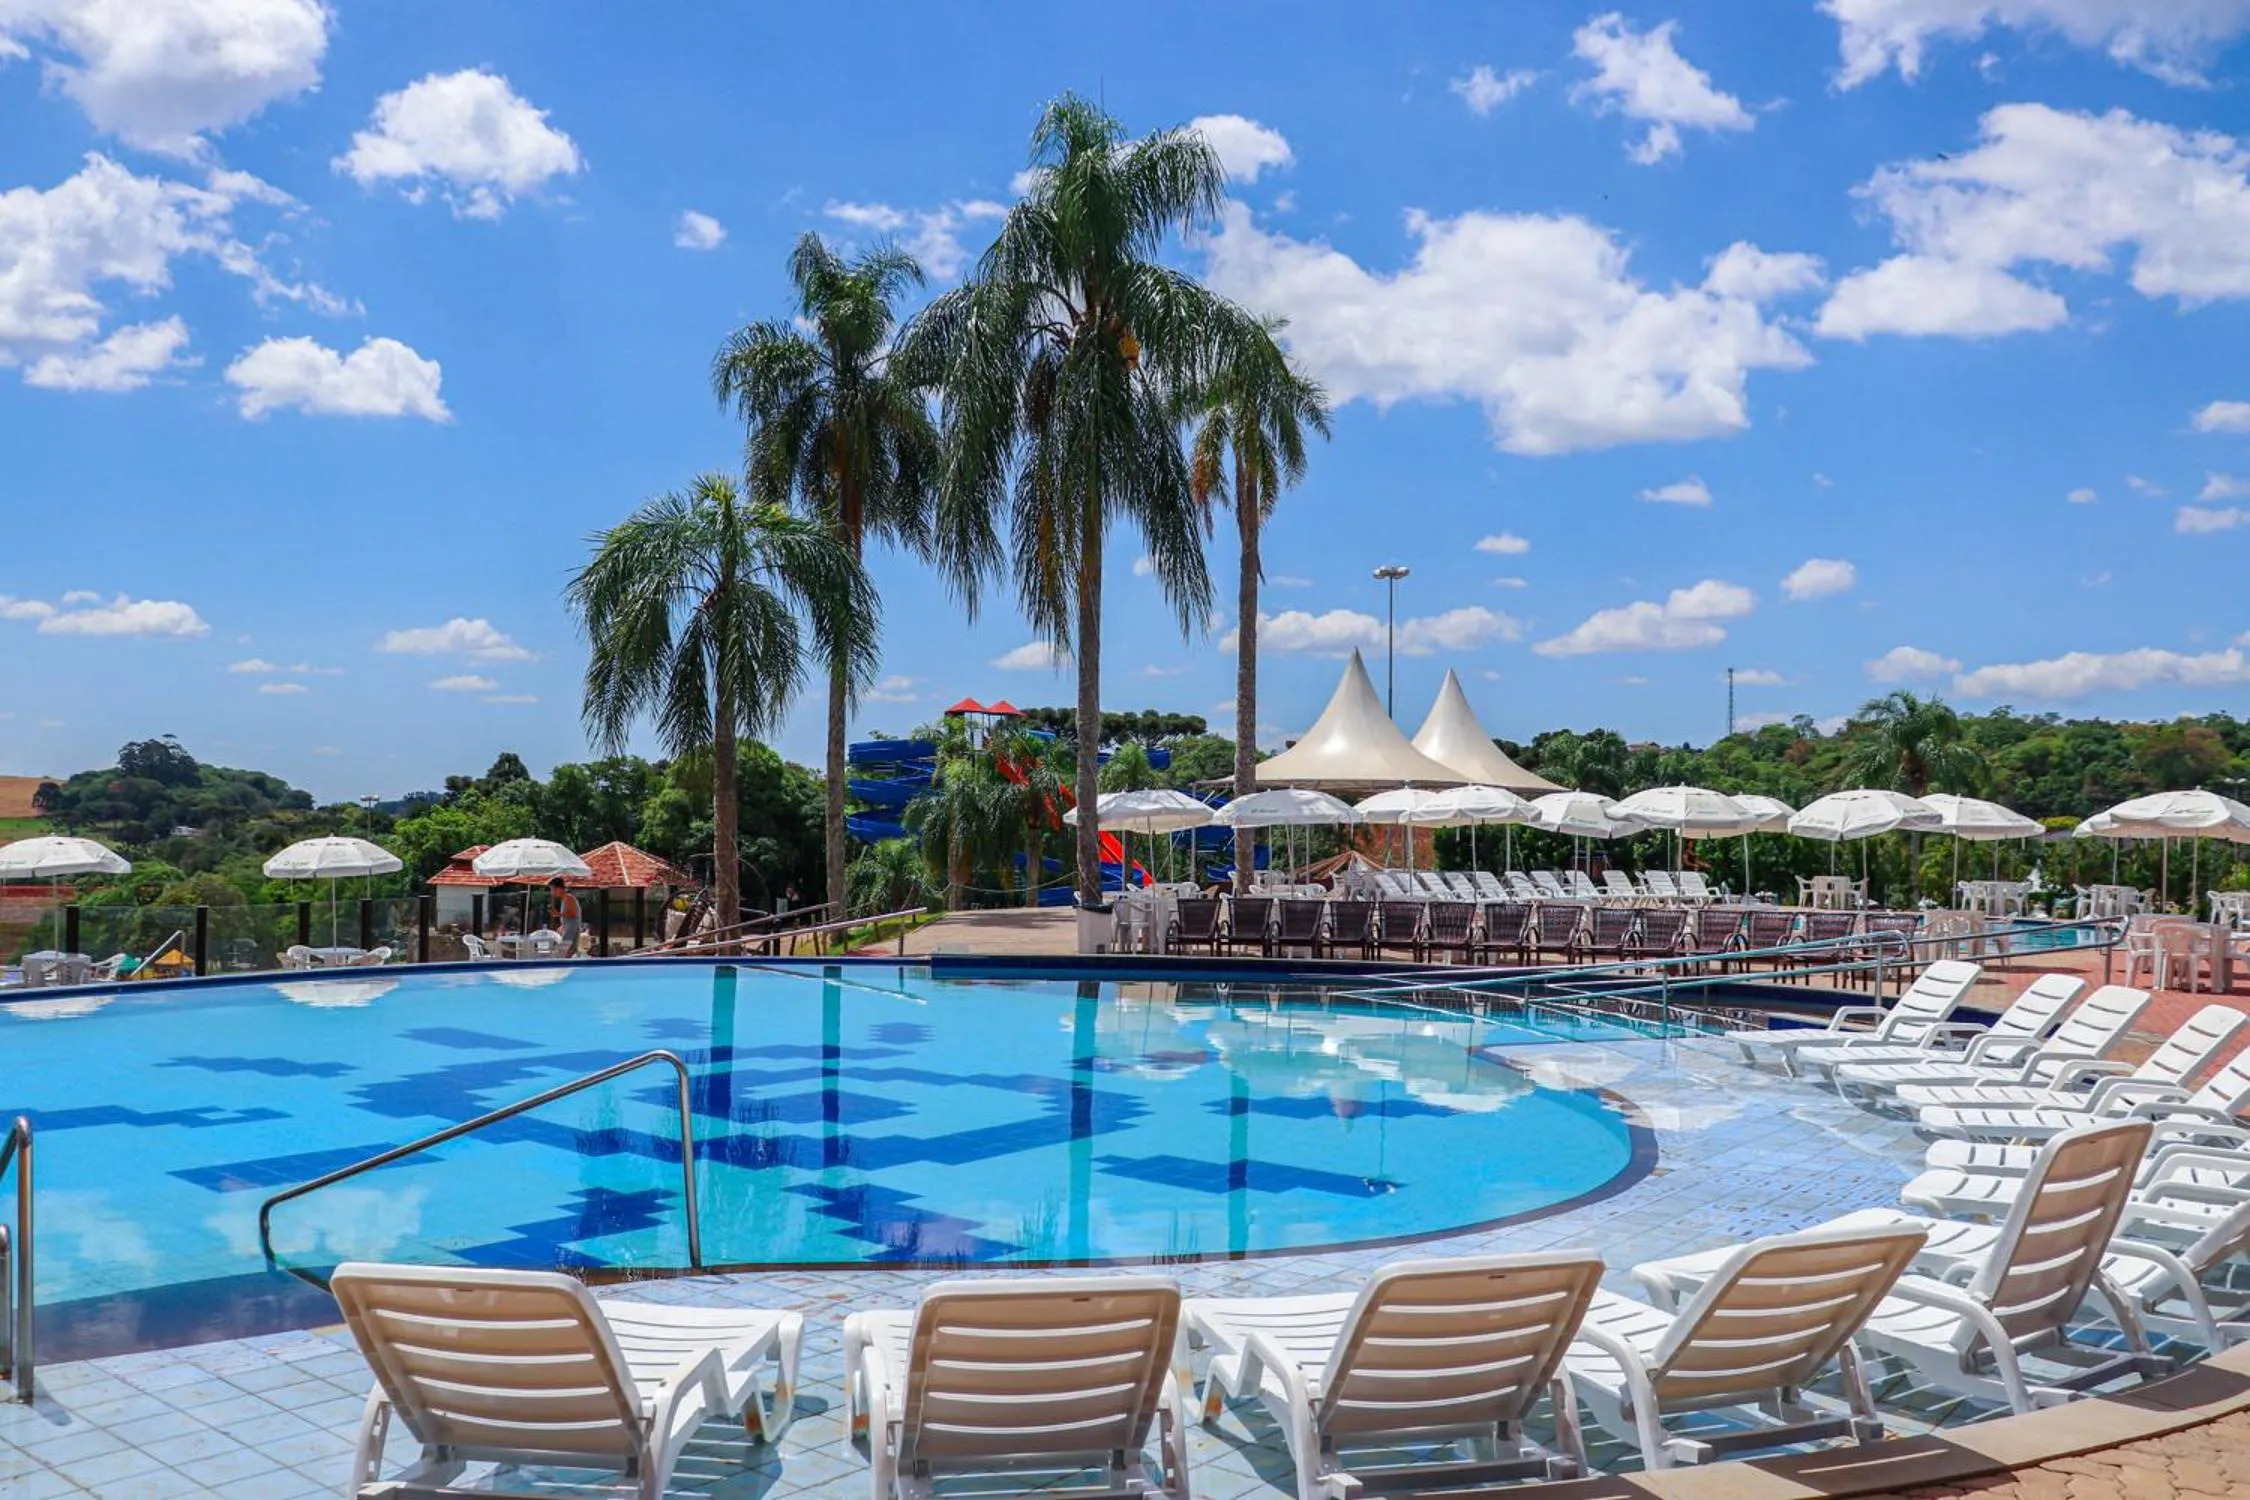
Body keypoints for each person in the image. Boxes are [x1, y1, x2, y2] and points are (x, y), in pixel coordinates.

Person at [549, 877, 583, 957]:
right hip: (569, 930)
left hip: (571, 931)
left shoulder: (568, 898)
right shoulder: (565, 899)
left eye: (552, 889)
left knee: (561, 954)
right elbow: (569, 916)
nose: (552, 892)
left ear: (559, 888)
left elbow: (572, 914)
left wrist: (558, 914)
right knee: (564, 954)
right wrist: (562, 926)